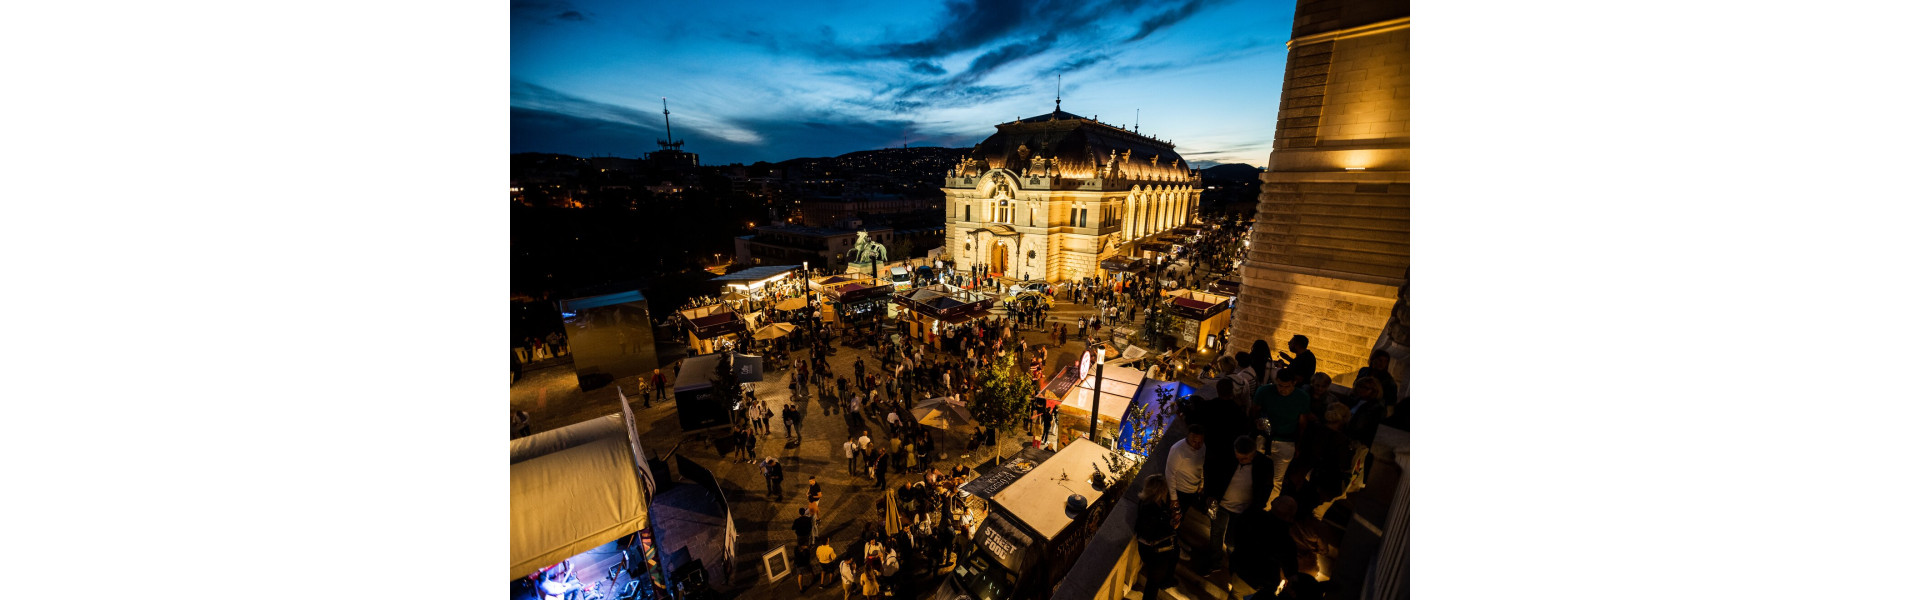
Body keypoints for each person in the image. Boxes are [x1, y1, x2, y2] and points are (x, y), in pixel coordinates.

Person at [1202, 435, 1274, 573]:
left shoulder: (1265, 465)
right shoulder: (1228, 456)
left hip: (1243, 510)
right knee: (1216, 534)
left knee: (1233, 541)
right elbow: (1212, 474)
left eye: (1244, 459)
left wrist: (1256, 509)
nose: (1240, 461)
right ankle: (1214, 562)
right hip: (1221, 505)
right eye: (1238, 457)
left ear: (1254, 453)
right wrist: (1209, 495)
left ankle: (1235, 566)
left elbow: (1266, 488)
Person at [1134, 474, 1181, 600]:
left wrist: (1171, 520)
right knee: (1152, 584)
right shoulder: (1148, 509)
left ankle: (1167, 580)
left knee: (1175, 553)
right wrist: (1172, 527)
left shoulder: (1157, 502)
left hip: (1160, 549)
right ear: (1160, 491)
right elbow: (1150, 534)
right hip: (1154, 552)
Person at [1164, 424, 1208, 514]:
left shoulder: (1202, 447)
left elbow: (1201, 466)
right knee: (1174, 516)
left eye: (1200, 442)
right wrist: (1173, 498)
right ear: (1188, 437)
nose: (1197, 445)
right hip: (1180, 491)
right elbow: (1170, 473)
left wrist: (1201, 484)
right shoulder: (1178, 450)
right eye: (1194, 442)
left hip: (1194, 490)